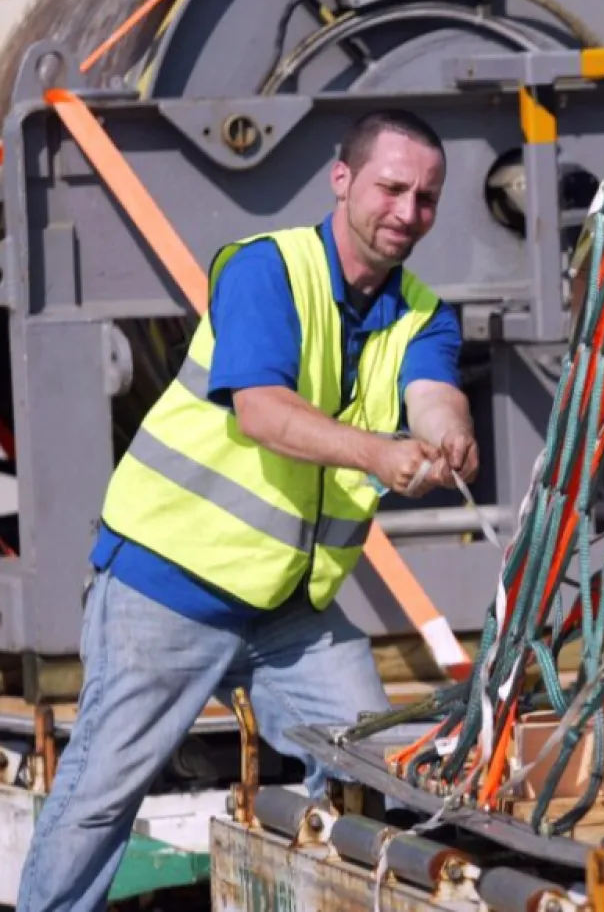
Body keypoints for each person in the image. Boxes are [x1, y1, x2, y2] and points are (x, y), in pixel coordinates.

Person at [18, 109, 479, 912]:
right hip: (169, 587)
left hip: (288, 615)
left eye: (427, 198)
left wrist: (448, 439)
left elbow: (433, 393)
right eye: (392, 188)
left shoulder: (422, 313)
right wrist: (380, 453)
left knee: (386, 774)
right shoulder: (268, 271)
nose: (408, 212)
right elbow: (262, 413)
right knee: (98, 797)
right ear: (342, 180)